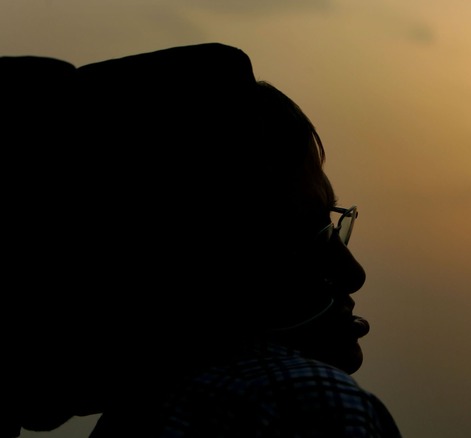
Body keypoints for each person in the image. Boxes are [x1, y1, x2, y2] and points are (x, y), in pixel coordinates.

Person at [2, 43, 401, 437]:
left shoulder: (142, 413)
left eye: (332, 226)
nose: (354, 273)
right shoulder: (299, 402)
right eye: (298, 234)